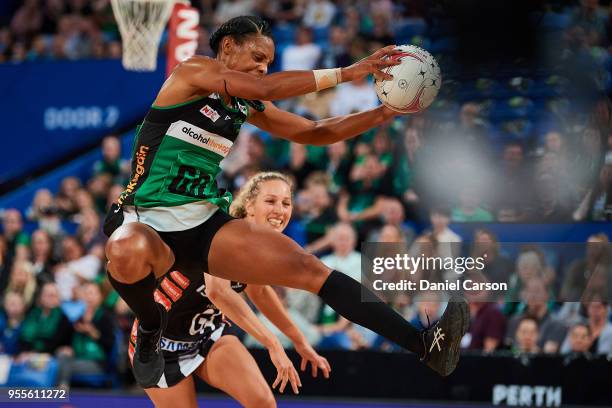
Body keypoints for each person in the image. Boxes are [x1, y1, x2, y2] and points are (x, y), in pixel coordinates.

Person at [104, 15, 469, 389]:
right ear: (228, 47)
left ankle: (425, 346)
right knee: (124, 246)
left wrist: (384, 112)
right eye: (258, 56)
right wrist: (350, 72)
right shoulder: (193, 72)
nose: (264, 67)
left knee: (310, 269)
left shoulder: (246, 103)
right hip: (147, 218)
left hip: (201, 221)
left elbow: (314, 132)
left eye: (268, 62)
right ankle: (150, 325)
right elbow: (269, 89)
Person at [141, 172, 329, 407]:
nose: (280, 210)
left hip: (207, 335)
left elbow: (259, 291)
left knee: (263, 403)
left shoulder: (261, 245)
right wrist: (273, 343)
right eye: (270, 201)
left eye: (286, 203)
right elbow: (217, 292)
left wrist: (299, 341)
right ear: (249, 205)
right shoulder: (223, 232)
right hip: (160, 345)